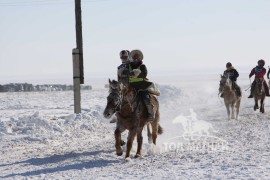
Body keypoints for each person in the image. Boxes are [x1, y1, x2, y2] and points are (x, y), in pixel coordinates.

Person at [118, 49, 159, 121]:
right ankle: (120, 114)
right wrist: (126, 72)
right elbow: (121, 72)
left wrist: (136, 73)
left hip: (142, 86)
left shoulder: (142, 66)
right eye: (134, 57)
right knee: (123, 98)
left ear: (140, 58)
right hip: (131, 86)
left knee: (145, 98)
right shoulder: (128, 66)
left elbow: (144, 74)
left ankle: (151, 113)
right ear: (131, 58)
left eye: (137, 57)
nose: (135, 59)